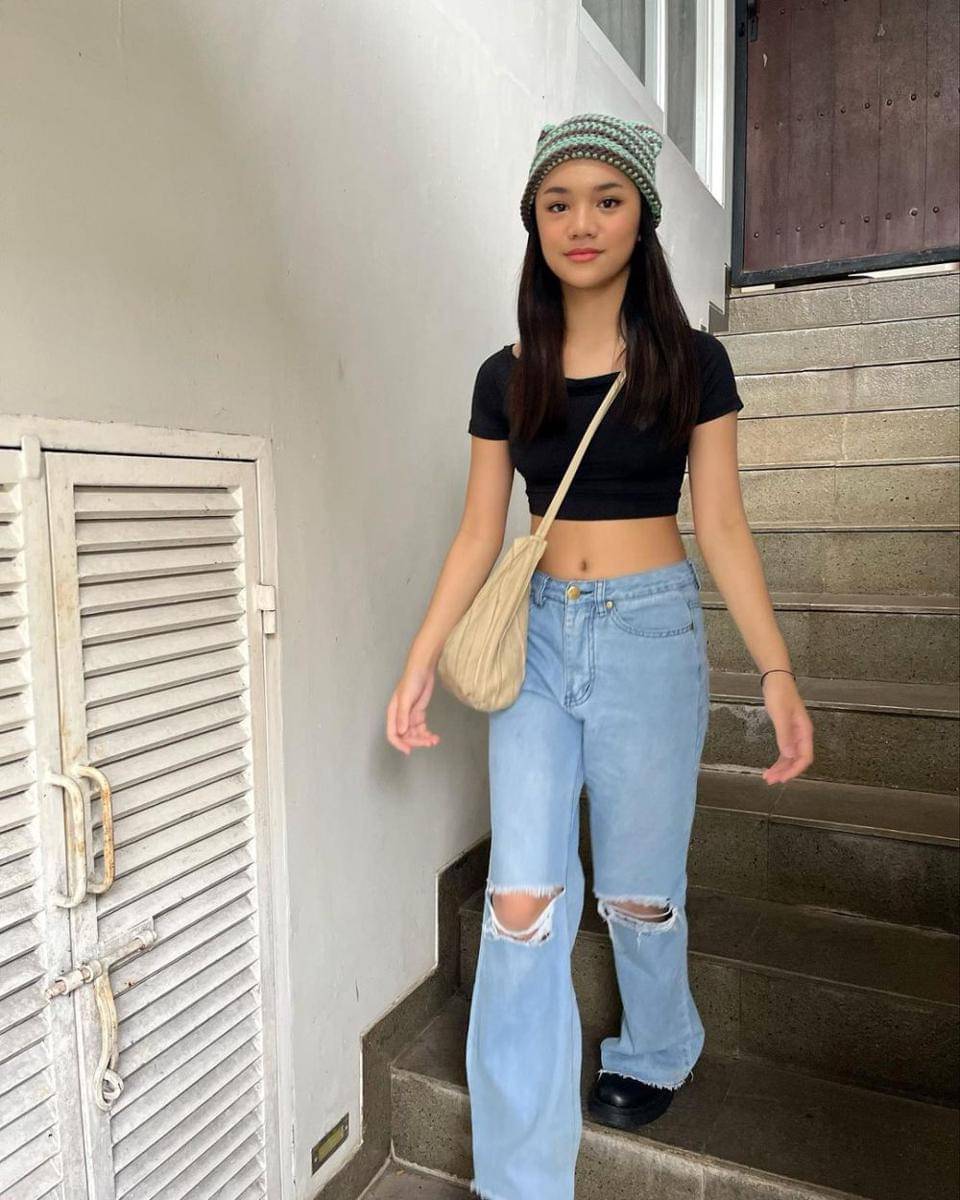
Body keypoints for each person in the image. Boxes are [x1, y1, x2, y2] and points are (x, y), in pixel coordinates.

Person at [386, 112, 814, 1200]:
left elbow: (723, 526)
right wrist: (422, 657)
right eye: (558, 202)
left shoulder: (694, 363)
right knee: (520, 899)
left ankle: (658, 1046)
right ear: (534, 221)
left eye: (606, 200)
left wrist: (776, 672)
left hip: (649, 634)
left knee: (635, 891)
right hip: (534, 636)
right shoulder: (505, 375)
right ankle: (521, 1175)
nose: (581, 222)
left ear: (642, 218)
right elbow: (479, 532)